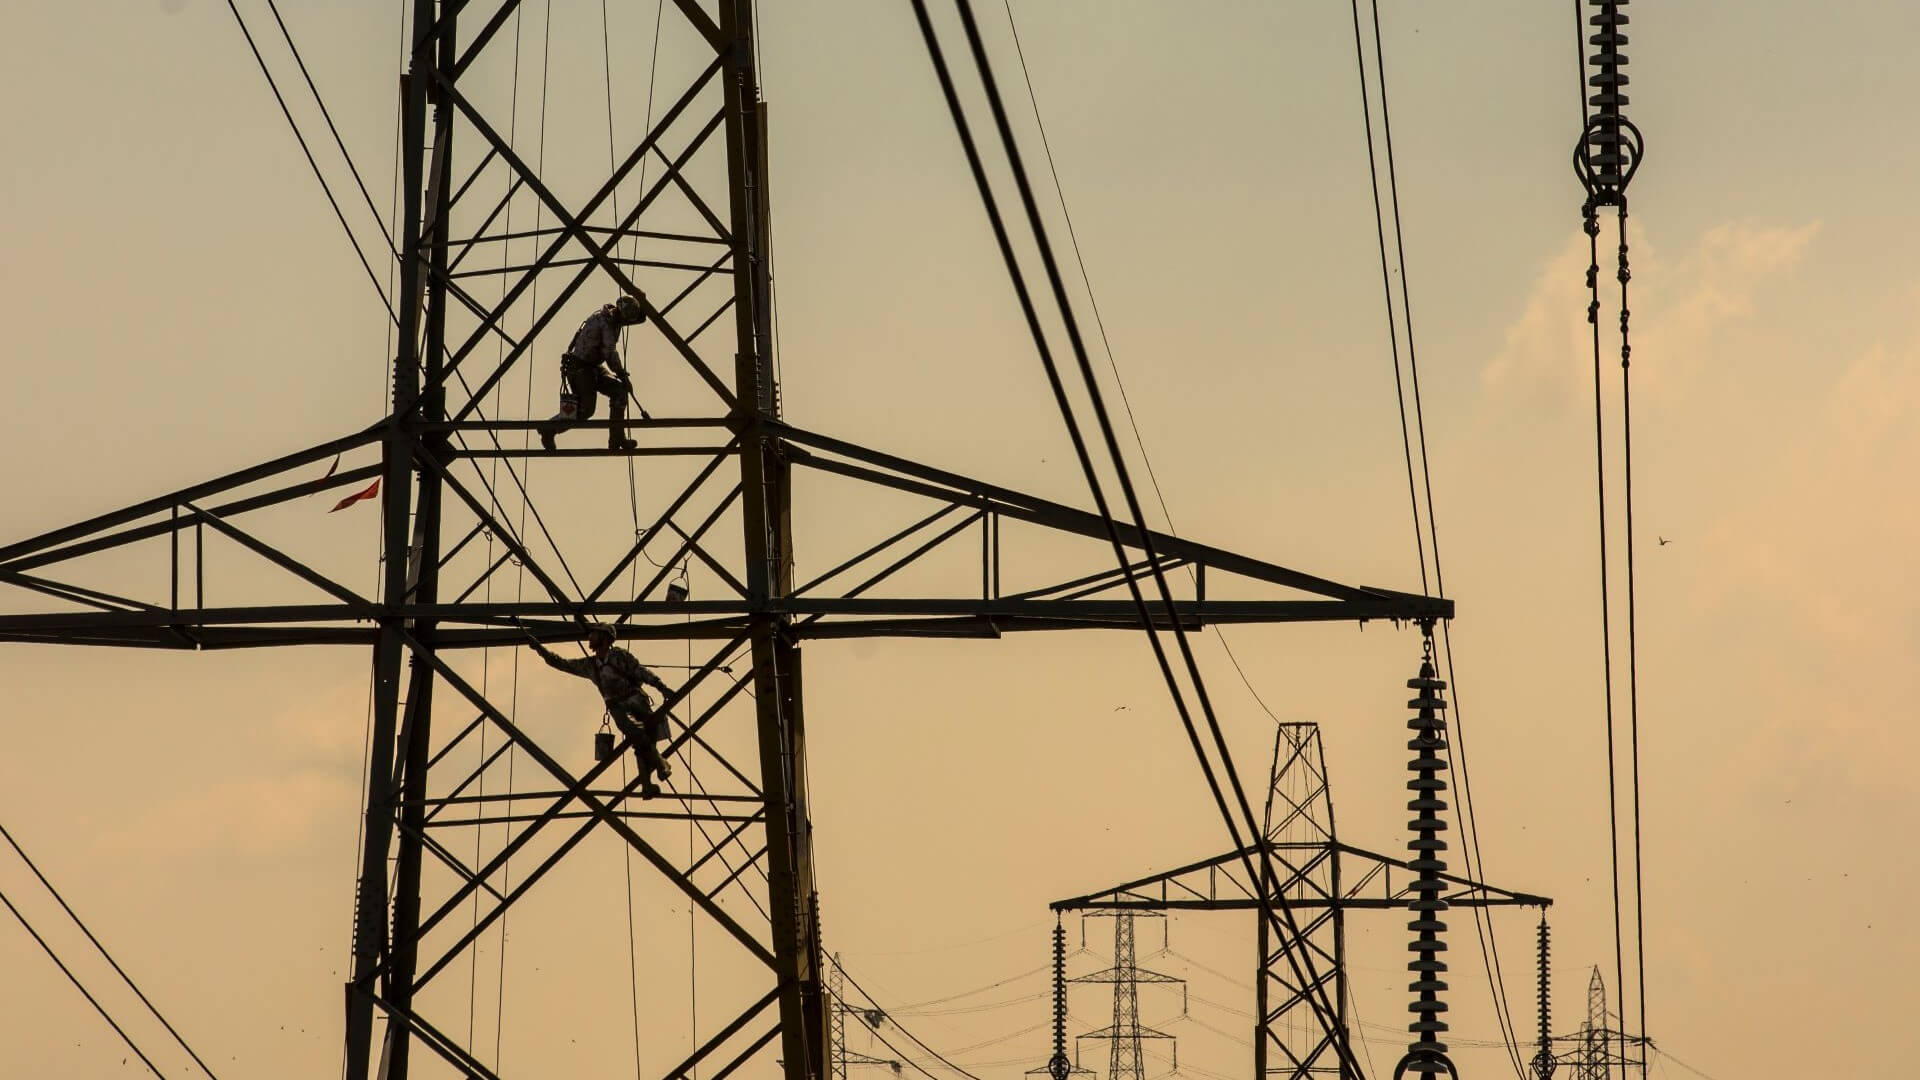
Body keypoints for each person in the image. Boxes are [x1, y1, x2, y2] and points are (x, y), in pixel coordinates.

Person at [528, 623, 676, 797]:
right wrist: (539, 648)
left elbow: (641, 672)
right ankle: (660, 765)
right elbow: (561, 663)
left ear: (605, 638)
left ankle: (647, 784)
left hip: (636, 698)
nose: (590, 637)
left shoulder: (619, 656)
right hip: (617, 706)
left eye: (594, 634)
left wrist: (662, 688)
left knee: (644, 740)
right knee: (637, 736)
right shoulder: (590, 665)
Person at [537, 294, 650, 451]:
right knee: (586, 410)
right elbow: (609, 353)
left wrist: (641, 300)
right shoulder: (606, 324)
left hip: (591, 367)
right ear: (623, 316)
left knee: (619, 392)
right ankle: (549, 429)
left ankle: (617, 439)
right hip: (581, 369)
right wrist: (623, 375)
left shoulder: (611, 316)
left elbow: (639, 318)